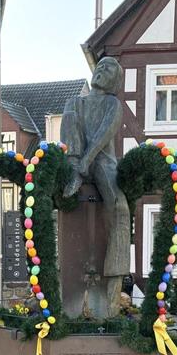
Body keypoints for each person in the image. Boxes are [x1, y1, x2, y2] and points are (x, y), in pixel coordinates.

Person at [60, 57, 131, 315]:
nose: (102, 69)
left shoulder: (113, 103)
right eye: (100, 66)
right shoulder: (76, 101)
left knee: (120, 207)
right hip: (75, 160)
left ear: (115, 80)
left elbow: (104, 133)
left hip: (102, 161)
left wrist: (88, 160)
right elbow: (69, 131)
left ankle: (114, 283)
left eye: (109, 68)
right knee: (70, 108)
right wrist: (77, 162)